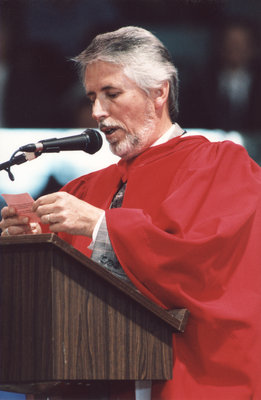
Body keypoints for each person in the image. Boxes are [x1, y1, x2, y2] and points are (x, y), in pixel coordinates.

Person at [1, 26, 261, 400]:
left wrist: (100, 225)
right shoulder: (87, 189)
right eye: (92, 97)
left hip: (185, 380)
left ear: (159, 91)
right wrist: (26, 238)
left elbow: (202, 267)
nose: (96, 112)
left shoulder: (223, 167)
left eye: (111, 94)